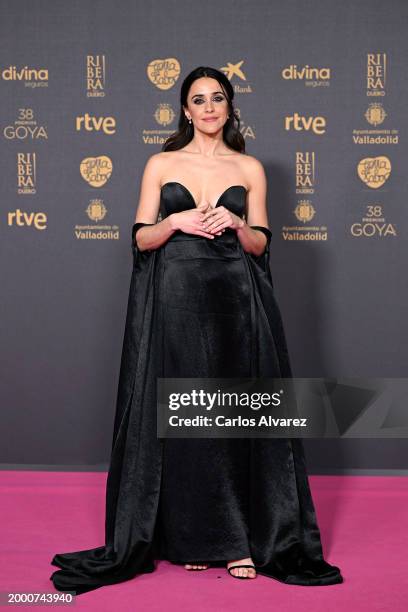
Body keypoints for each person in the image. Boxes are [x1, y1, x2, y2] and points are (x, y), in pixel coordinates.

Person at [50, 66, 343, 595]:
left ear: (229, 107)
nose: (209, 107)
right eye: (198, 99)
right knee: (185, 417)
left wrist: (236, 225)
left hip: (236, 305)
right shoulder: (161, 163)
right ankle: (191, 540)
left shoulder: (250, 167)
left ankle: (236, 541)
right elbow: (140, 239)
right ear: (185, 110)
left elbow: (261, 244)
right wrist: (176, 223)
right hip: (177, 304)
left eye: (218, 98)